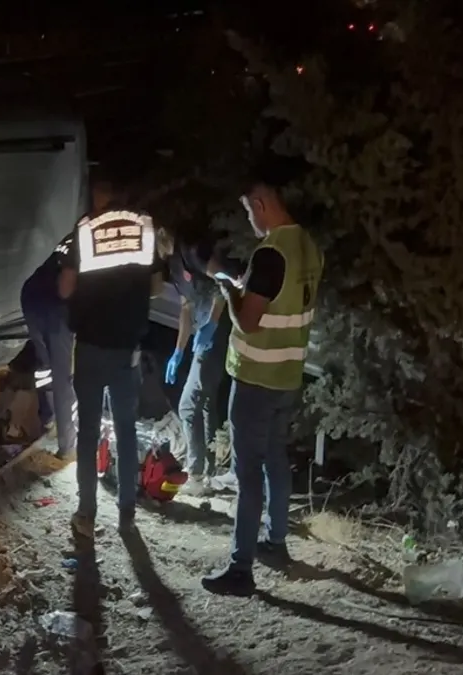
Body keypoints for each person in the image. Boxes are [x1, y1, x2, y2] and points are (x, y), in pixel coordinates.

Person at [201, 180, 323, 597]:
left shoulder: (271, 253)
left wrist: (231, 292)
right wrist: (248, 287)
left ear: (261, 204)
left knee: (248, 472)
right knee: (275, 459)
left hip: (256, 379)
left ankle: (241, 569)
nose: (250, 222)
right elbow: (283, 301)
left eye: (250, 212)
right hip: (289, 376)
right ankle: (276, 542)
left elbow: (249, 321)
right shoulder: (307, 245)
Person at [59, 180, 169, 538]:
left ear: (98, 195)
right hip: (128, 350)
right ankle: (127, 513)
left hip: (91, 346)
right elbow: (156, 287)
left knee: (89, 431)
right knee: (125, 429)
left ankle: (86, 515)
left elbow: (65, 287)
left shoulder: (86, 230)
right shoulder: (144, 227)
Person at [162, 234, 233, 496]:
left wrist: (213, 324)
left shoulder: (191, 250)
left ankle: (196, 472)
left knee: (188, 404)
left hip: (218, 330)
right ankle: (208, 472)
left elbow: (222, 283)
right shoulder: (173, 265)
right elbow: (186, 308)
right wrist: (177, 352)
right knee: (204, 403)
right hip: (203, 332)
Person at [20, 213, 80, 461]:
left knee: (45, 366)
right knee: (63, 376)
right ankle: (68, 446)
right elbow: (67, 289)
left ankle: (48, 418)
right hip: (56, 305)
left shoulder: (70, 238)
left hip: (31, 294)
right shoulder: (87, 248)